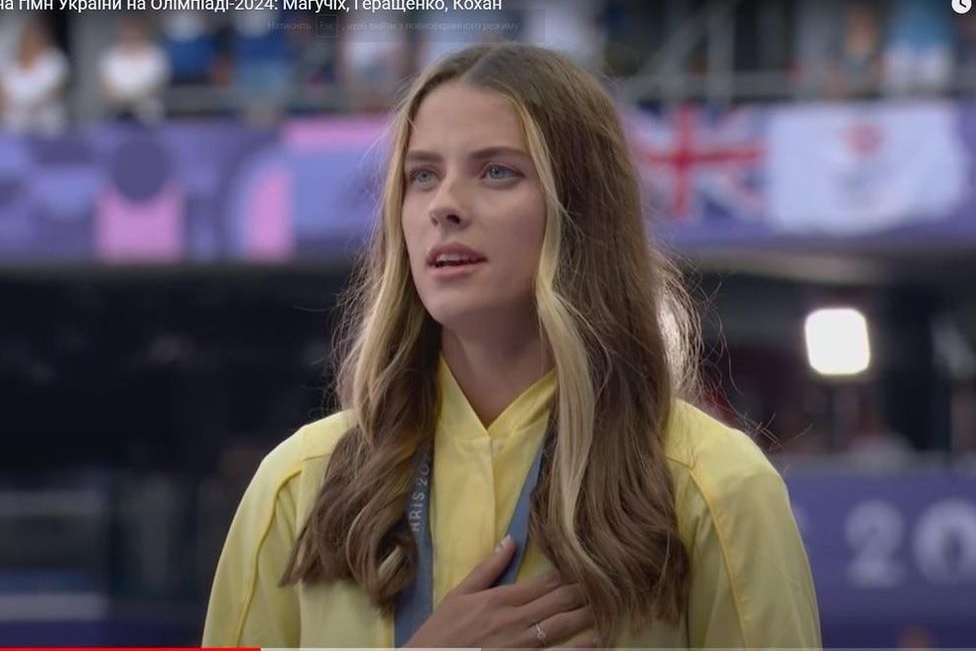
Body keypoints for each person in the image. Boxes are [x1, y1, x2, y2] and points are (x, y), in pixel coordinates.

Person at [202, 43, 821, 648]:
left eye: (497, 171)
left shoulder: (717, 486)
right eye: (423, 175)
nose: (445, 206)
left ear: (582, 211)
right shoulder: (297, 486)